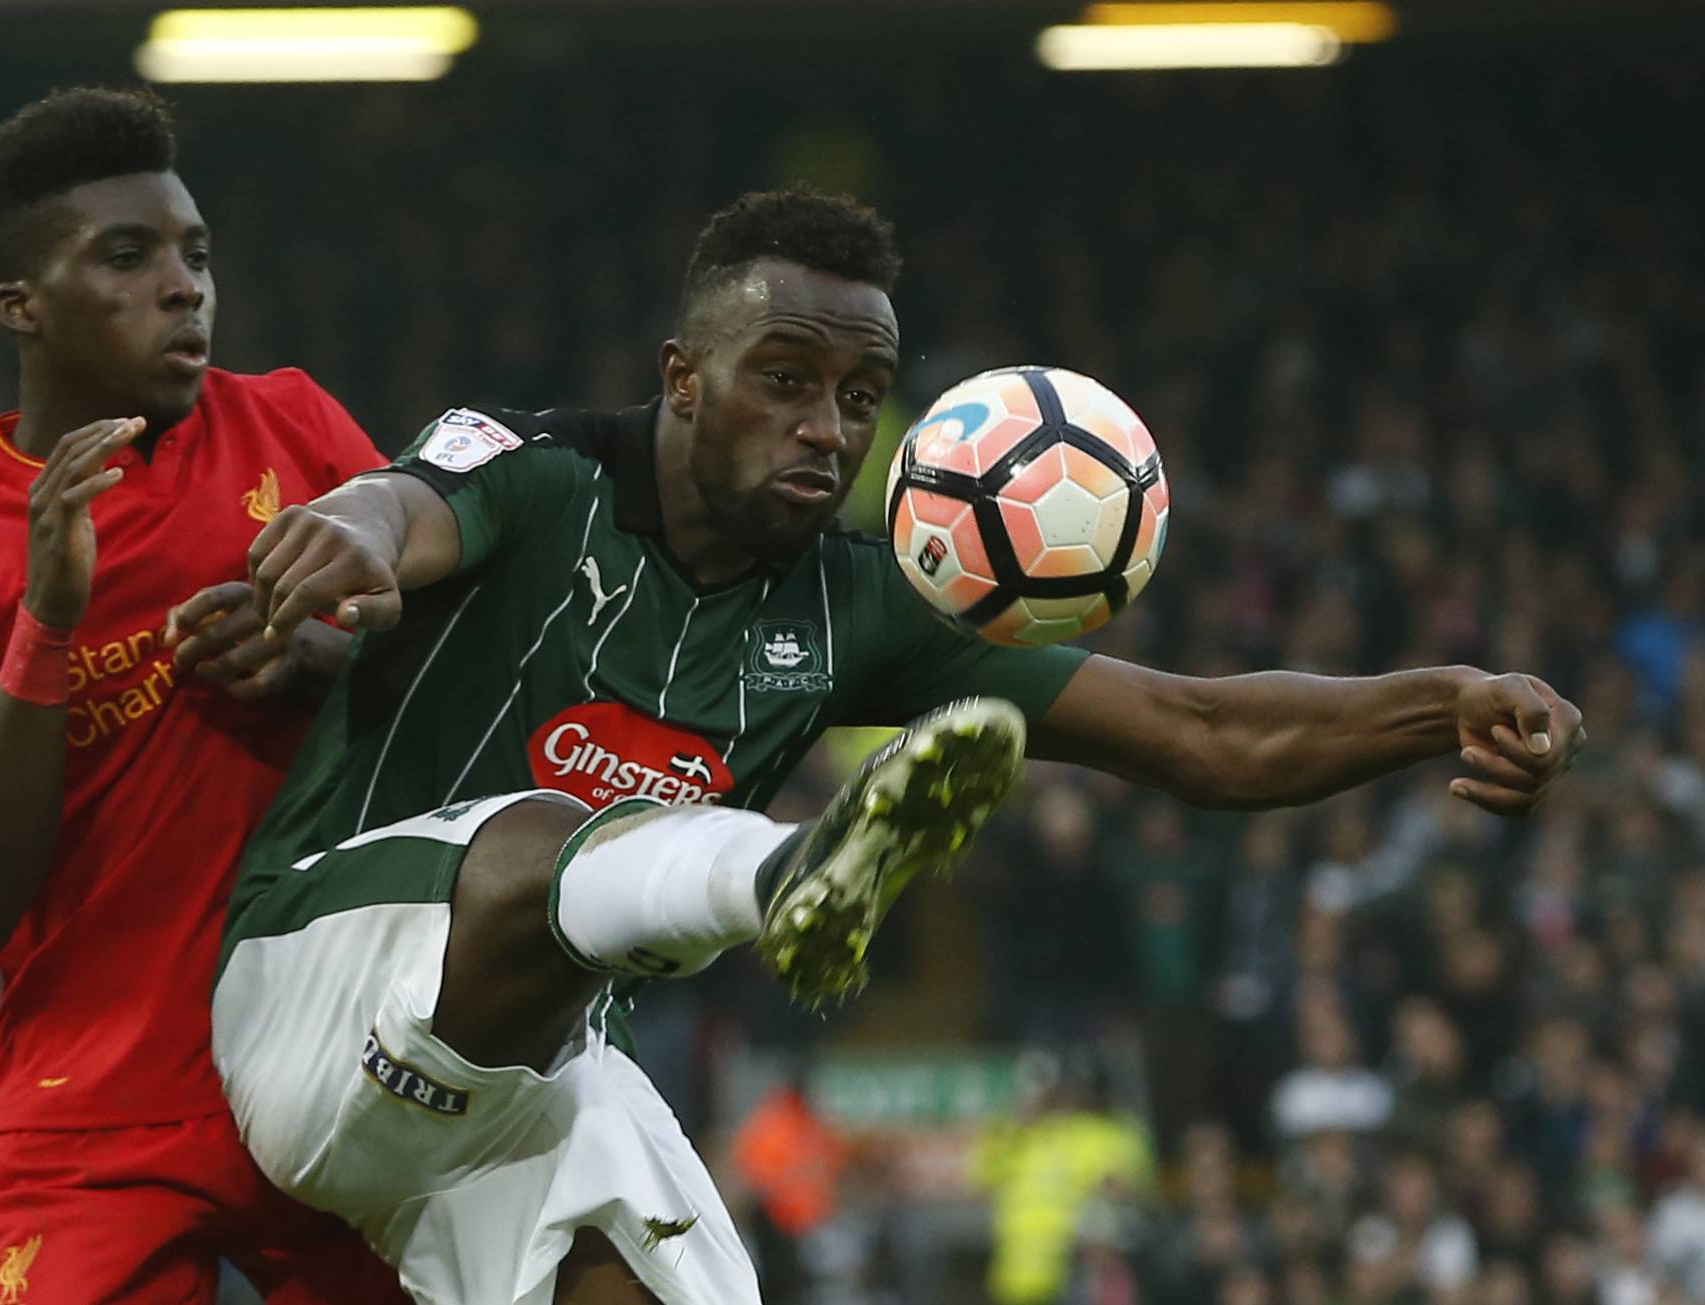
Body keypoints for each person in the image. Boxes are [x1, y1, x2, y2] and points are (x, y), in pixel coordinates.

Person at [205, 189, 1585, 1302]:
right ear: (683, 379)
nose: (828, 427)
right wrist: (353, 534)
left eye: (861, 395)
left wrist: (1439, 699)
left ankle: (783, 874)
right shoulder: (541, 467)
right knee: (545, 839)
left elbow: (1197, 728)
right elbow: (404, 503)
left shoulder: (858, 601)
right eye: (786, 380)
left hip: (513, 1099)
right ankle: (787, 874)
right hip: (315, 997)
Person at [0, 88, 404, 1302]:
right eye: (127, 257)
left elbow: (462, 679)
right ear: (20, 304)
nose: (184, 285)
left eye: (194, 253)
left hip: (343, 1069)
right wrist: (49, 618)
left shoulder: (294, 429)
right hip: (99, 1113)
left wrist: (323, 659)